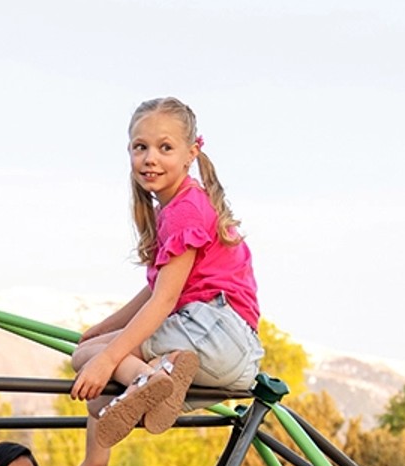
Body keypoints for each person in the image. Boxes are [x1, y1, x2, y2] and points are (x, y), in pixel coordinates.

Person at [70, 97, 264, 446]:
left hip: (213, 330)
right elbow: (158, 288)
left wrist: (107, 356)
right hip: (236, 353)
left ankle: (150, 377)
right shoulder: (186, 204)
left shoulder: (183, 210)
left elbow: (164, 299)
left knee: (86, 357)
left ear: (191, 153)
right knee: (99, 401)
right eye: (140, 147)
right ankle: (156, 376)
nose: (150, 158)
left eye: (165, 148)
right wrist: (104, 327)